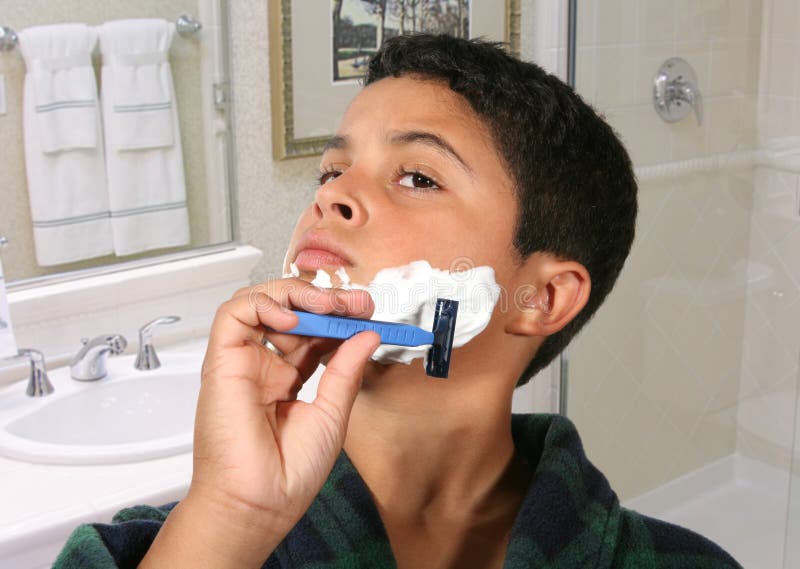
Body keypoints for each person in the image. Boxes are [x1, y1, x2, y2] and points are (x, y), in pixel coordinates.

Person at [54, 34, 742, 568]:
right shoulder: (169, 546)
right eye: (331, 169)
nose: (331, 194)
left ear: (542, 296)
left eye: (416, 175)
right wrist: (229, 516)